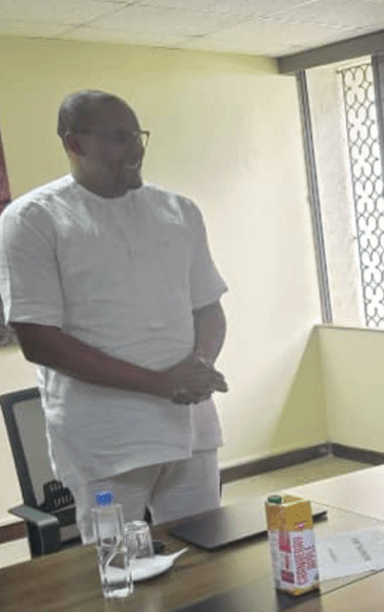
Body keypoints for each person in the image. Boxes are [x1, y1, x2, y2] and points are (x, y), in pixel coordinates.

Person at [0, 90, 230, 541]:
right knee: (120, 565)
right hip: (106, 440)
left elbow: (208, 306)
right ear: (75, 144)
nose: (136, 148)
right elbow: (39, 341)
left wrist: (200, 363)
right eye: (119, 137)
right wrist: (161, 383)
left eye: (138, 135)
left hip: (190, 427)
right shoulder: (34, 219)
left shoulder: (179, 210)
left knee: (206, 551)